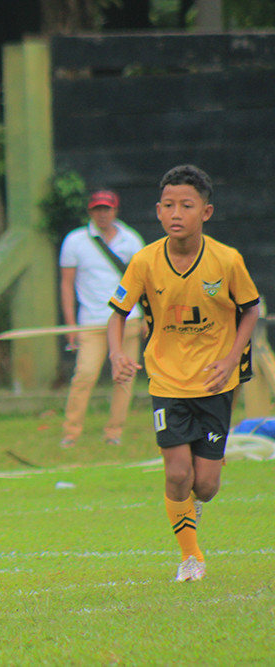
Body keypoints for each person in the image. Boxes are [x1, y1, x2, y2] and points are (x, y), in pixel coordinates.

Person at [108, 165, 259, 583]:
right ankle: (191, 557)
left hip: (215, 382)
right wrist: (116, 353)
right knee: (178, 474)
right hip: (167, 382)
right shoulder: (144, 261)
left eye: (187, 206)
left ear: (206, 212)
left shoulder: (227, 260)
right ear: (158, 211)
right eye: (169, 205)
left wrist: (231, 359)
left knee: (205, 486)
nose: (177, 213)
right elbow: (117, 314)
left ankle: (203, 481)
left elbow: (251, 310)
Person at [59, 190, 145, 447]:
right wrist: (70, 324)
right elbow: (66, 285)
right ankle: (71, 433)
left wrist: (147, 317)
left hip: (128, 320)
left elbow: (144, 282)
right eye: (97, 209)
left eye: (107, 209)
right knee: (84, 375)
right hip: (92, 322)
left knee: (125, 377)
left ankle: (114, 433)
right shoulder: (75, 241)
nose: (102, 214)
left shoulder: (131, 240)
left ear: (115, 211)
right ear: (90, 212)